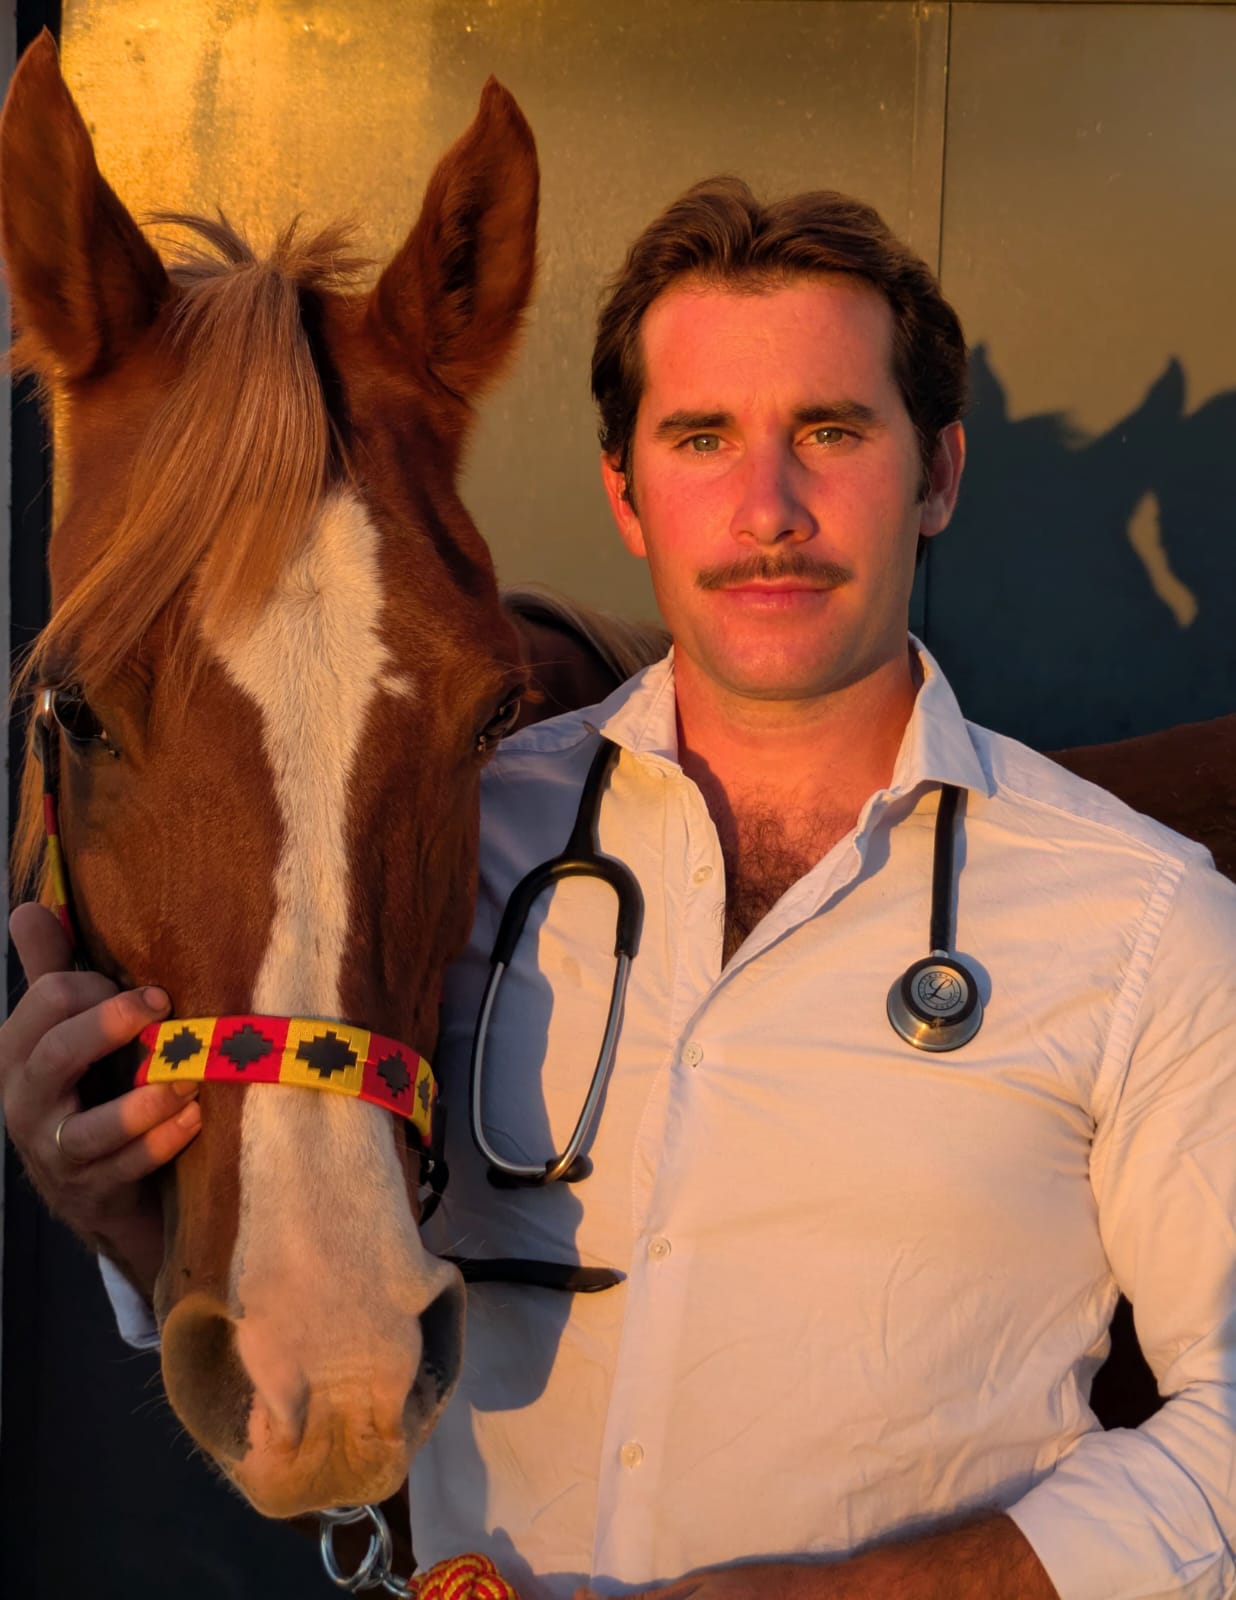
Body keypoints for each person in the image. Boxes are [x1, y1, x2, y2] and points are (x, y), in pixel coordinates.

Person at [4, 177, 1236, 1600]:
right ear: (625, 493)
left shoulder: (1145, 920)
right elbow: (337, 1400)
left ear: (939, 475)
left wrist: (855, 1599)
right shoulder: (449, 847)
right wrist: (128, 1218)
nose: (768, 509)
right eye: (701, 438)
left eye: (831, 432)